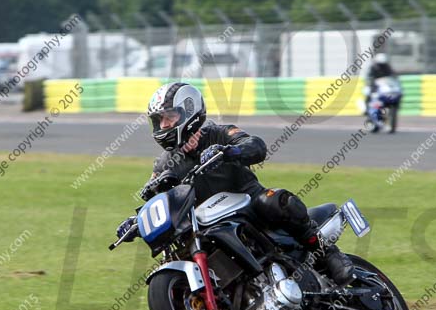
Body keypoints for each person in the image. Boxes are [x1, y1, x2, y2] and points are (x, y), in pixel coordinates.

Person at [117, 82, 353, 285]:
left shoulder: (219, 133)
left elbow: (257, 145)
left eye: (169, 117)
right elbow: (155, 198)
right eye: (159, 120)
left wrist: (229, 151)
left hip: (249, 206)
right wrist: (136, 221)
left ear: (189, 112)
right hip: (206, 224)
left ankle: (327, 252)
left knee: (275, 201)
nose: (164, 125)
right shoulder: (164, 164)